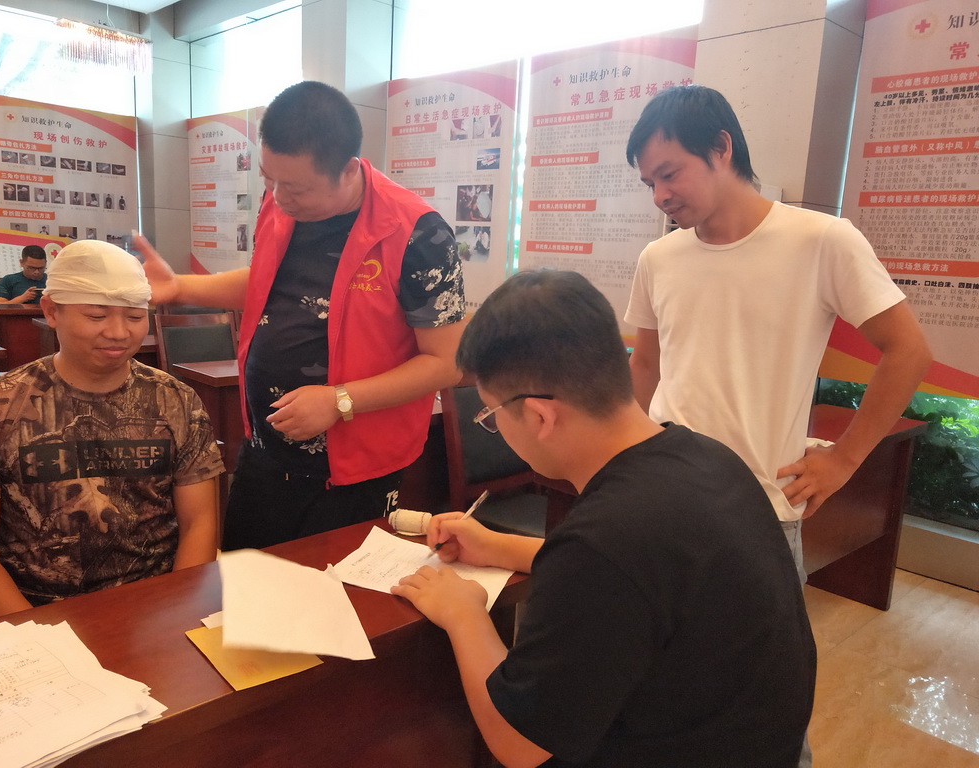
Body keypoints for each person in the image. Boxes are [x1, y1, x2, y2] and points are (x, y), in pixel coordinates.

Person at [392, 269, 816, 768]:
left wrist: (464, 614)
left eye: (490, 414)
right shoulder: (707, 457)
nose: (495, 427)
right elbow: (646, 578)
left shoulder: (606, 541)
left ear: (540, 416)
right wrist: (495, 546)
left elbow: (519, 744)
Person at [136, 80, 466, 550]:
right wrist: (180, 288)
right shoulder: (281, 202)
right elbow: (266, 283)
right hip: (265, 452)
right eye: (268, 178)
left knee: (331, 589)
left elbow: (446, 363)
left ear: (348, 169)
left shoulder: (418, 235)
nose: (278, 196)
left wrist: (339, 401)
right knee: (246, 578)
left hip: (356, 471)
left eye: (294, 187)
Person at [624, 85, 932, 577]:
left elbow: (908, 351)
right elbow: (646, 365)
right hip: (662, 496)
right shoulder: (658, 258)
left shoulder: (822, 240)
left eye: (669, 173)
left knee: (760, 631)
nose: (659, 196)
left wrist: (844, 460)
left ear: (721, 148)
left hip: (761, 508)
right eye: (648, 183)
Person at [0, 240, 223, 624]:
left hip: (156, 606)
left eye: (134, 316)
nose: (118, 332)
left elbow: (200, 523)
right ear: (51, 311)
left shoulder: (176, 401)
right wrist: (39, 640)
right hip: (32, 611)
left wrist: (179, 612)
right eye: (96, 316)